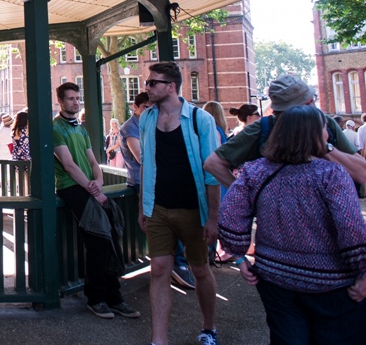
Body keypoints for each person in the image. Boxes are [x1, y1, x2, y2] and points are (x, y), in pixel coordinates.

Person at [218, 105, 366, 344]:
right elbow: (351, 229)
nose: (328, 134)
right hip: (332, 284)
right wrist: (363, 269)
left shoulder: (254, 172)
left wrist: (239, 256)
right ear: (315, 134)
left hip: (274, 280)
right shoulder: (331, 174)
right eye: (325, 129)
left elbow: (230, 215)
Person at [138, 62, 221, 345]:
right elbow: (146, 165)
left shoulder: (200, 119)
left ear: (170, 87)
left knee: (199, 269)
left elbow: (212, 170)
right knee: (159, 268)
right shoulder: (147, 118)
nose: (147, 87)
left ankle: (208, 328)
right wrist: (143, 208)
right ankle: (158, 340)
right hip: (158, 207)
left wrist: (213, 218)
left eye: (152, 83)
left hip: (192, 209)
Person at [52, 82, 138, 321]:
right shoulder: (56, 128)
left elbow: (92, 161)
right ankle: (97, 298)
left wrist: (98, 180)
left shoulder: (81, 129)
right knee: (99, 240)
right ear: (60, 101)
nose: (75, 102)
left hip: (90, 188)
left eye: (77, 98)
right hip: (72, 188)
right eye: (70, 98)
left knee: (109, 236)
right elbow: (68, 165)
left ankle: (114, 297)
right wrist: (93, 190)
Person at [205, 74, 366, 188]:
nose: (314, 107)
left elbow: (362, 173)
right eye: (311, 101)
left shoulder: (325, 122)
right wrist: (247, 198)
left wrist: (324, 147)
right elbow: (213, 164)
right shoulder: (263, 128)